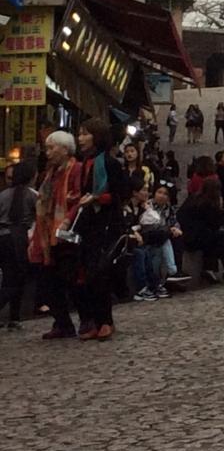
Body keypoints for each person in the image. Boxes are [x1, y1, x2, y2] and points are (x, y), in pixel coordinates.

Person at [73, 119, 130, 341]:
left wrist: (98, 198)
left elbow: (121, 193)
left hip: (107, 223)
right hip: (89, 224)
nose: (80, 138)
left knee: (100, 273)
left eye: (85, 134)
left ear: (97, 137)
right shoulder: (84, 163)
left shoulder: (109, 163)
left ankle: (106, 321)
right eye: (79, 134)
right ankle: (95, 321)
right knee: (87, 273)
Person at [30, 132, 83, 339]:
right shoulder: (49, 174)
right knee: (49, 281)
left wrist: (67, 219)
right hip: (48, 232)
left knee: (71, 280)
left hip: (66, 233)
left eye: (52, 148)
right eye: (47, 148)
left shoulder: (76, 169)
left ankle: (84, 320)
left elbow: (78, 197)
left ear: (65, 149)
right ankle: (62, 322)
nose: (48, 152)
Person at [177, 175, 224, 287]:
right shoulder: (209, 204)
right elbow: (217, 224)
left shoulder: (193, 199)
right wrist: (220, 209)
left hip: (190, 236)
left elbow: (180, 215)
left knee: (214, 237)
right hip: (193, 239)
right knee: (221, 236)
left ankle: (209, 269)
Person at [0, 161, 37, 329]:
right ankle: (14, 316)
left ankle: (14, 317)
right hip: (19, 238)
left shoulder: (3, 195)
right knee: (17, 279)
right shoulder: (31, 195)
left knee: (10, 278)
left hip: (3, 237)